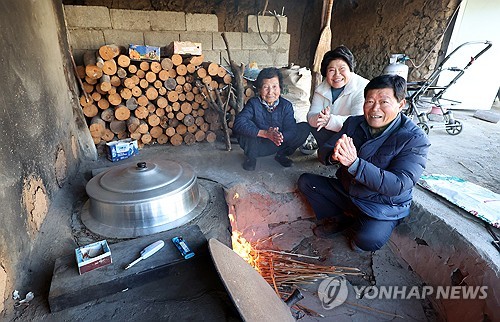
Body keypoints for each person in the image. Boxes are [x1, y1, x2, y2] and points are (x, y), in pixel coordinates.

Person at [298, 74, 430, 252]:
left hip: (382, 204)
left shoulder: (414, 138)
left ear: (401, 104)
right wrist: (333, 154)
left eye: (384, 102)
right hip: (349, 190)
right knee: (307, 182)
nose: (375, 109)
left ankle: (364, 222)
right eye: (369, 101)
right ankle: (342, 218)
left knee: (366, 241)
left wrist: (355, 164)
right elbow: (324, 151)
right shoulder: (354, 123)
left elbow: (398, 185)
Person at [233, 67, 310, 171]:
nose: (270, 92)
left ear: (280, 88)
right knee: (244, 126)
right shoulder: (253, 103)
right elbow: (238, 123)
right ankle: (251, 158)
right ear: (259, 90)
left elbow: (291, 129)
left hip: (278, 143)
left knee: (304, 128)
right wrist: (264, 133)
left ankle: (281, 155)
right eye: (266, 87)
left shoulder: (286, 105)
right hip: (258, 145)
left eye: (274, 87)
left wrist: (278, 136)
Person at [307, 45, 369, 148]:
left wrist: (330, 120)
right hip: (332, 131)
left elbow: (358, 121)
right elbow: (311, 115)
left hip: (352, 135)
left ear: (350, 69)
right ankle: (329, 153)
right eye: (331, 70)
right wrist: (320, 117)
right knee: (311, 127)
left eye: (342, 69)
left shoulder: (363, 87)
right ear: (326, 72)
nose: (337, 75)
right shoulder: (321, 89)